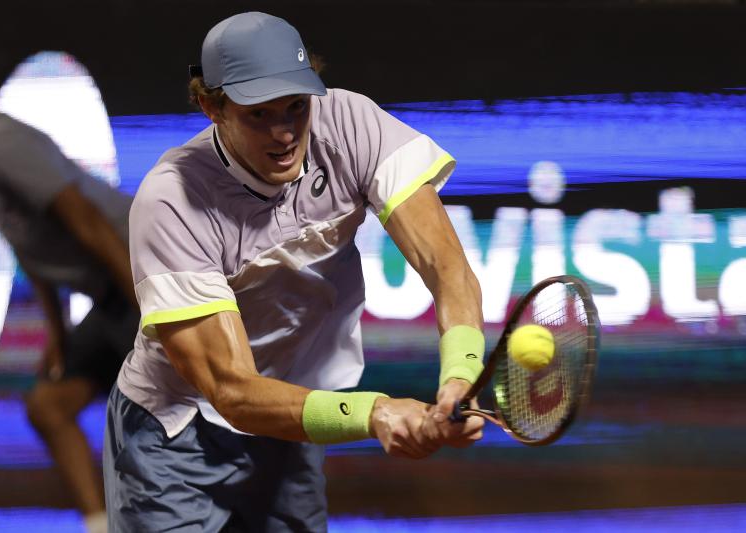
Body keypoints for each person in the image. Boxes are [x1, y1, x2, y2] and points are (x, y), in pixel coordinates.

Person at [104, 11, 486, 532]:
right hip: (176, 435)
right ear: (211, 105)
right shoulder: (171, 200)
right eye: (259, 114)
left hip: (293, 418)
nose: (284, 133)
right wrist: (374, 413)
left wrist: (460, 374)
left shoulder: (352, 123)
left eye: (296, 107)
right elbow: (233, 390)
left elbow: (447, 268)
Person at [0, 30, 138, 533]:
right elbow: (27, 241)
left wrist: (150, 308)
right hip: (110, 295)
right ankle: (102, 525)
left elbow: (83, 216)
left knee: (172, 414)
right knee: (48, 405)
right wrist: (58, 334)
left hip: (136, 272)